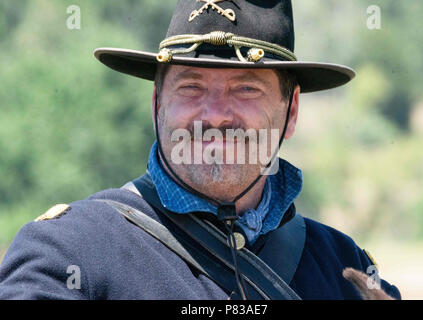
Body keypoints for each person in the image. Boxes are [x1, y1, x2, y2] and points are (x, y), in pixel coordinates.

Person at [0, 0, 401, 300]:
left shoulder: (343, 267)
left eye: (246, 88)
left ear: (291, 111)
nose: (215, 116)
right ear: (158, 104)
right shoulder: (66, 251)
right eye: (191, 86)